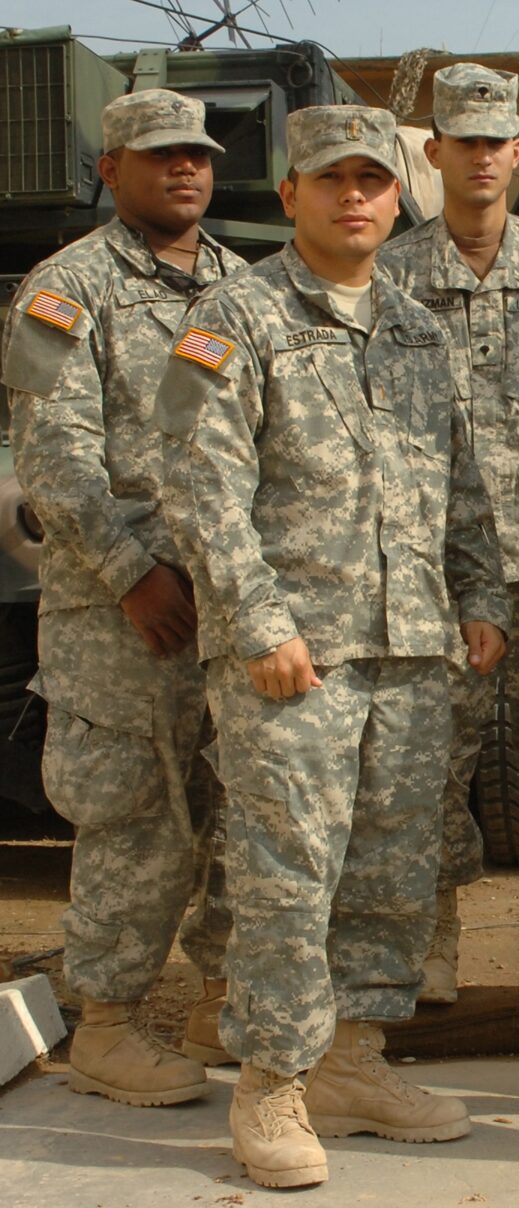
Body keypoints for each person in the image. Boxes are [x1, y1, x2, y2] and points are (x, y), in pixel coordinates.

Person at [157, 105, 510, 1188]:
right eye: (331, 180)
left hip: (410, 651)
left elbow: (457, 477)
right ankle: (271, 1081)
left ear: (400, 196)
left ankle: (355, 1061)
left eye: (372, 180)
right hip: (292, 657)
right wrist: (260, 623)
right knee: (284, 875)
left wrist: (480, 592)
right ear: (291, 195)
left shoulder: (412, 325)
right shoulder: (237, 314)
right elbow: (198, 480)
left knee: (391, 871)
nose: (354, 196)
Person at [2, 89, 242, 1107]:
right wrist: (135, 573)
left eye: (195, 154)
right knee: (135, 812)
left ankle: (222, 1002)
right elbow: (51, 457)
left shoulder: (244, 286)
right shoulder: (67, 289)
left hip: (231, 596)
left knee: (237, 802)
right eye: (157, 157)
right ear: (111, 171)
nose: (182, 170)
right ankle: (105, 1026)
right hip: (120, 612)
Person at [379, 63, 519, 1000]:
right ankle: (430, 950)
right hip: (432, 572)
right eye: (459, 142)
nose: (479, 158)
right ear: (433, 154)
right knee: (430, 770)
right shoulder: (389, 273)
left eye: (494, 142)